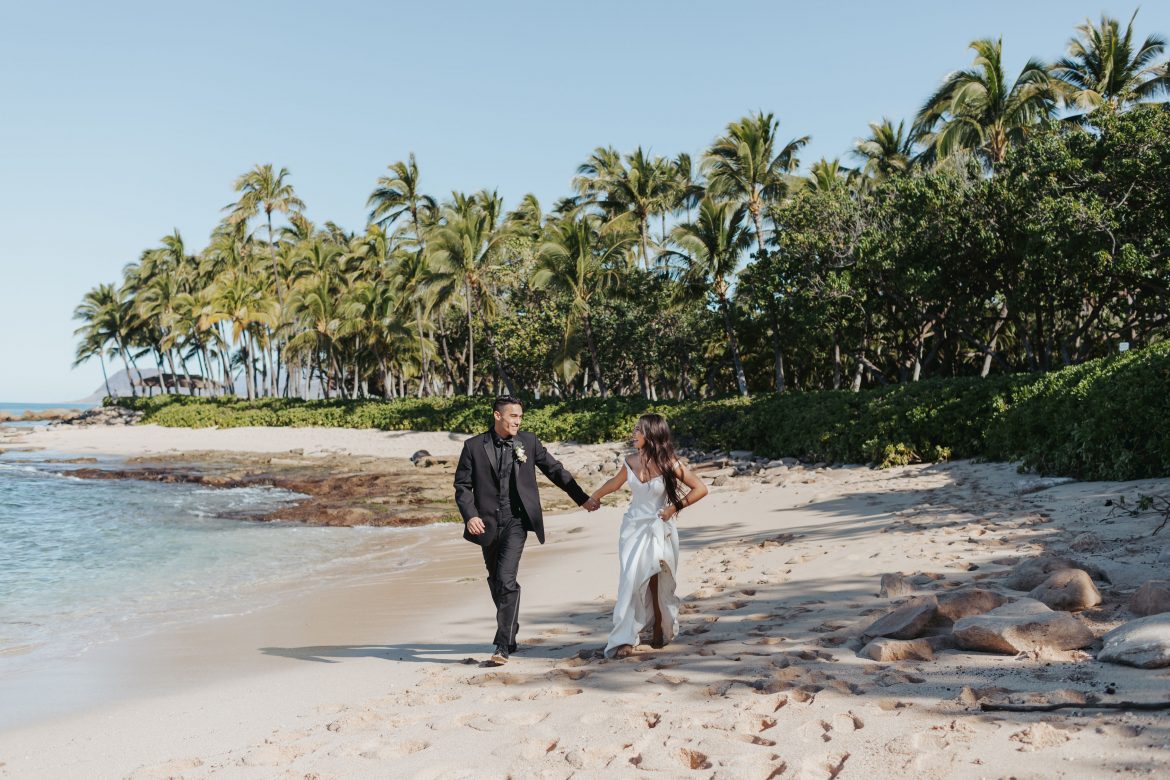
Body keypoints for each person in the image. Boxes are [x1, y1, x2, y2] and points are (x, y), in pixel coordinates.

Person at [454, 395, 597, 665]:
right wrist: (470, 516)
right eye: (513, 416)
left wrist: (582, 498)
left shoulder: (528, 442)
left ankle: (501, 646)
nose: (518, 421)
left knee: (506, 579)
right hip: (486, 523)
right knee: (495, 580)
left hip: (517, 521)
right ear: (498, 416)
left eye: (520, 416)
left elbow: (555, 471)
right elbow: (462, 486)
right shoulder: (473, 446)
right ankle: (510, 630)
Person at [588, 413, 708, 658]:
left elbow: (701, 489)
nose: (634, 434)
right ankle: (624, 639)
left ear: (651, 434)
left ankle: (657, 630)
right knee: (631, 582)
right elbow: (614, 483)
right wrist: (593, 497)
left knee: (657, 578)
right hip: (633, 528)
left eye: (638, 430)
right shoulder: (630, 460)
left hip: (658, 527)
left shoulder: (669, 462)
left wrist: (673, 507)